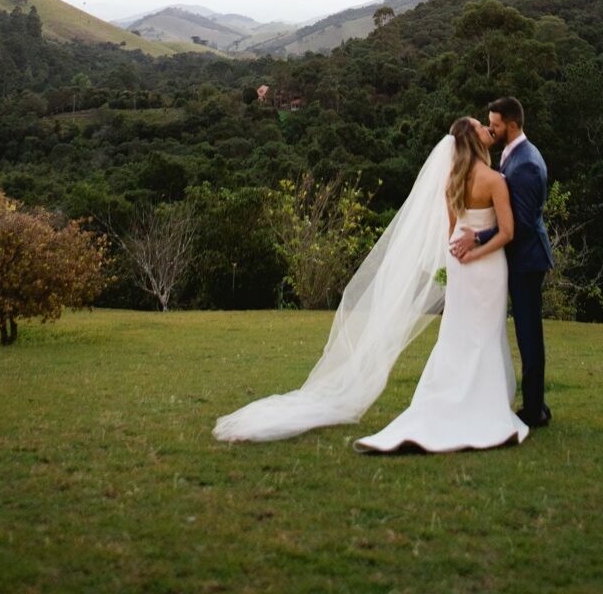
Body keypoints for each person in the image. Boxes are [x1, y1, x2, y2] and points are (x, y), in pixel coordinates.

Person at [212, 118, 530, 451]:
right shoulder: (495, 180)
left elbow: (453, 233)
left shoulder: (452, 180)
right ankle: (482, 406)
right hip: (487, 266)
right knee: (483, 333)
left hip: (460, 262)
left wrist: (464, 249)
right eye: (480, 125)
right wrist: (479, 246)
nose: (485, 127)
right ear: (472, 139)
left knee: (461, 332)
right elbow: (507, 232)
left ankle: (457, 398)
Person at [450, 95, 553, 428]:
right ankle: (523, 401)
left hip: (525, 260)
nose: (490, 130)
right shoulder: (511, 156)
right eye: (486, 124)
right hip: (507, 258)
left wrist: (477, 238)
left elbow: (518, 226)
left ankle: (534, 408)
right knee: (509, 332)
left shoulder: (525, 164)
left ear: (511, 125)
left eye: (494, 125)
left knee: (528, 335)